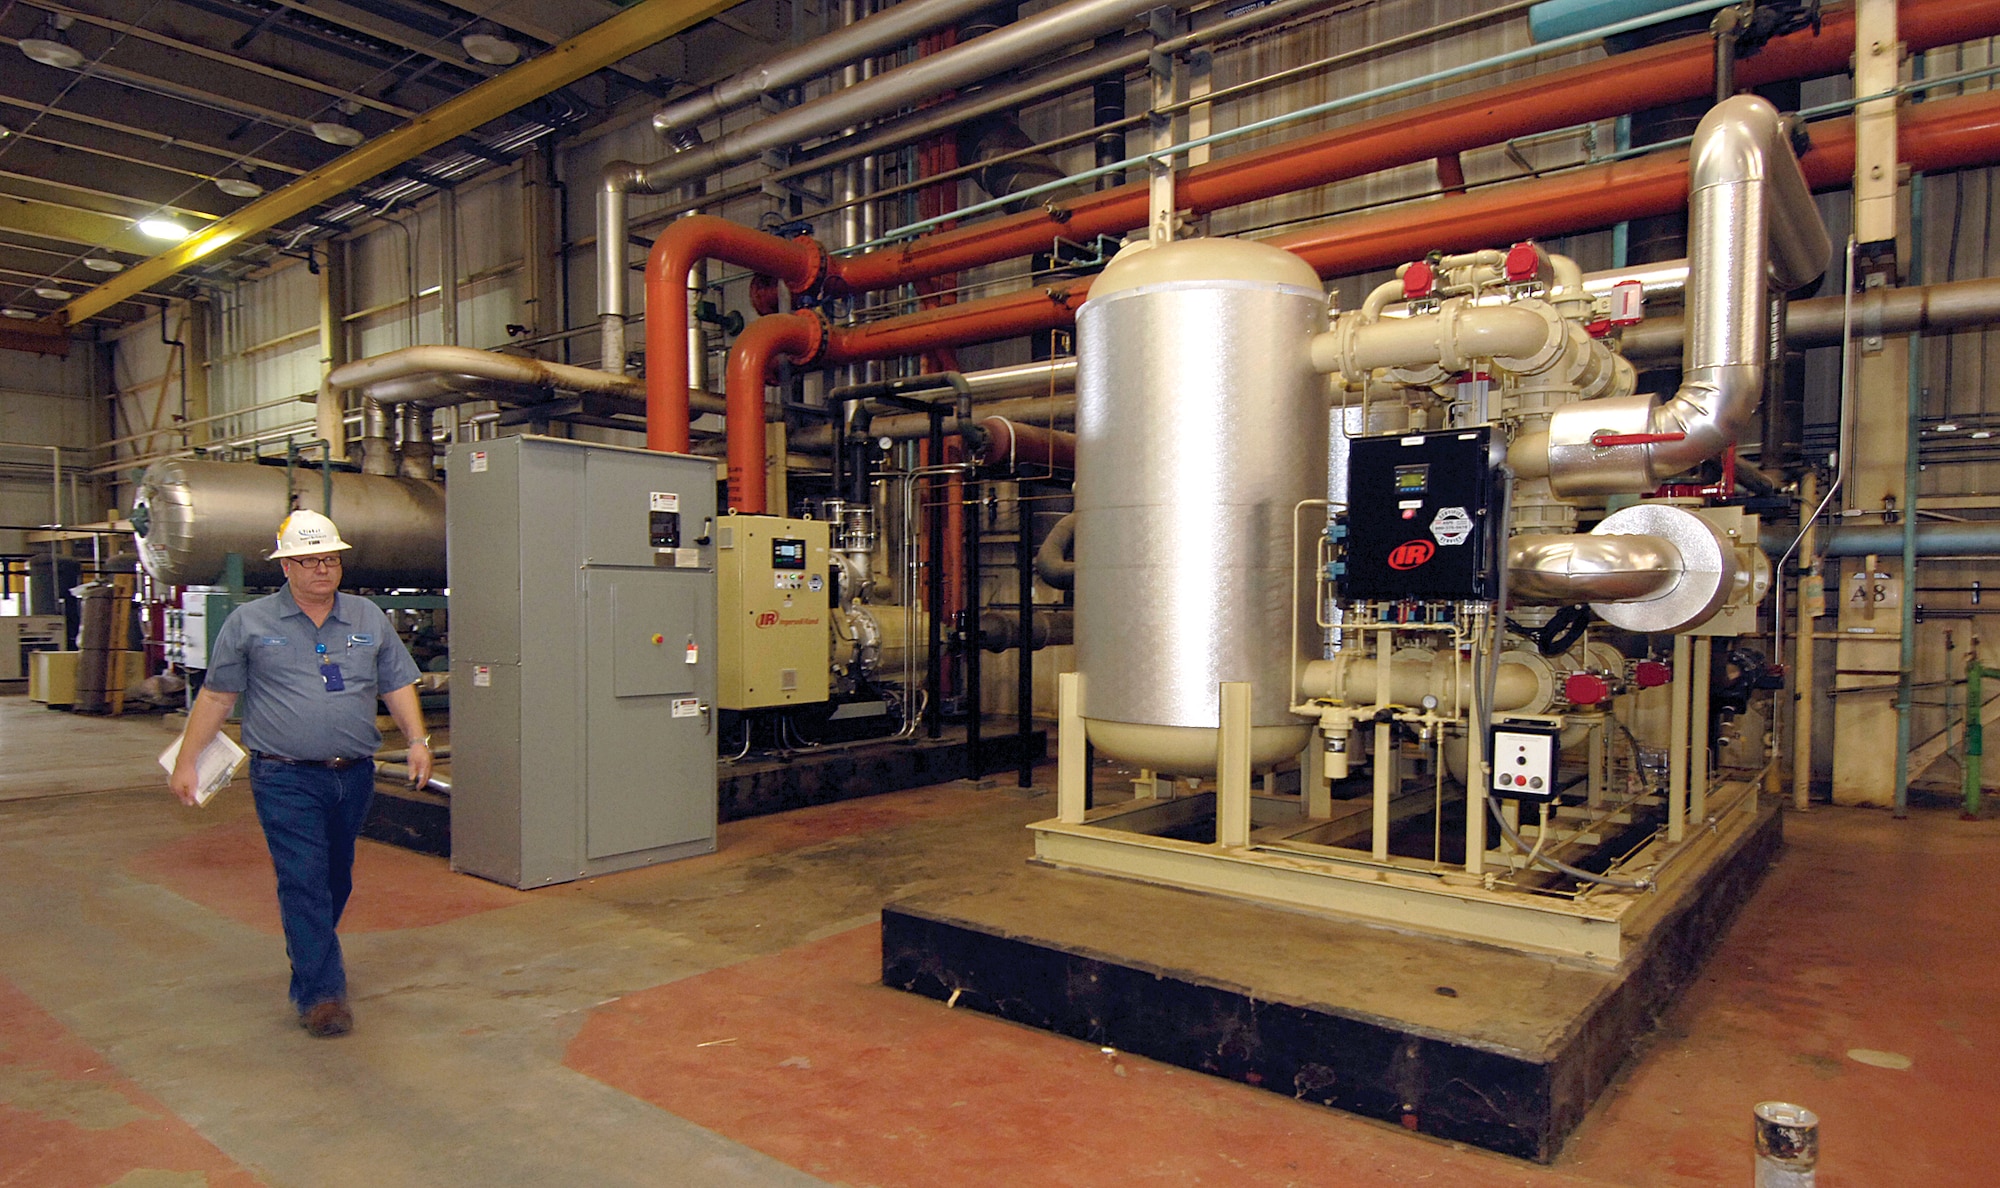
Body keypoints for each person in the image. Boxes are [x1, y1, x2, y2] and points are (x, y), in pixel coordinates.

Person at [169, 509, 432, 1038]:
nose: (322, 570)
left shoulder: (366, 618)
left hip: (353, 774)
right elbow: (218, 696)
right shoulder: (250, 623)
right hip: (284, 777)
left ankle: (308, 952)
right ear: (286, 565)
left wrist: (418, 740)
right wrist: (186, 759)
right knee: (303, 879)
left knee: (336, 878)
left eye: (330, 560)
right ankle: (322, 995)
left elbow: (396, 682)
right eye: (310, 561)